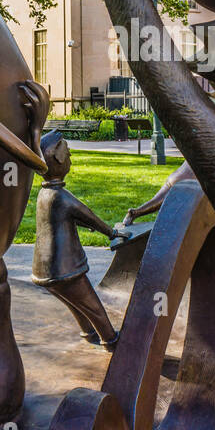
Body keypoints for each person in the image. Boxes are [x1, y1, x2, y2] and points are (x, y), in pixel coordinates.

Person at [32, 131, 124, 348]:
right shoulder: (61, 197)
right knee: (91, 304)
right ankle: (110, 338)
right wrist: (112, 233)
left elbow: (63, 219)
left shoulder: (44, 195)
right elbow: (88, 215)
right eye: (69, 156)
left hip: (45, 270)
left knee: (74, 302)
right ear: (59, 161)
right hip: (66, 269)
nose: (71, 158)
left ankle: (88, 332)